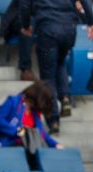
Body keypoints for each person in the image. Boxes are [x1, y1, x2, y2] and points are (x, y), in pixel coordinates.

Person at [21, 0, 93, 133]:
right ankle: (65, 97)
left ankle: (53, 120)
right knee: (60, 61)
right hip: (69, 28)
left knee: (48, 76)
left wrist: (26, 25)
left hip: (48, 27)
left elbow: (24, 5)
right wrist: (90, 22)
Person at [0, 81, 62, 166]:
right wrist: (18, 131)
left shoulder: (35, 112)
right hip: (9, 144)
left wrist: (56, 144)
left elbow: (41, 133)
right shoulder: (13, 101)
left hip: (28, 148)